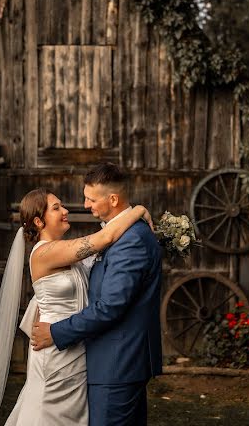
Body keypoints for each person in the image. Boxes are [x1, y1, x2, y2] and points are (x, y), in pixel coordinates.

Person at [0, 184, 152, 426]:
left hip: (75, 348)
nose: (65, 210)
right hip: (55, 354)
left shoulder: (66, 251)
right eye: (56, 208)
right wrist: (137, 210)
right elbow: (105, 237)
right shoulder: (44, 253)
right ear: (39, 222)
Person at [31, 163, 163, 426]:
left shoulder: (130, 239)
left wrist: (56, 332)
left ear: (112, 199)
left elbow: (110, 306)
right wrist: (138, 210)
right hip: (104, 358)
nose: (84, 204)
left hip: (117, 361)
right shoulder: (116, 234)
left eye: (91, 198)